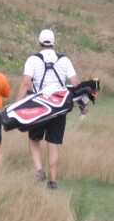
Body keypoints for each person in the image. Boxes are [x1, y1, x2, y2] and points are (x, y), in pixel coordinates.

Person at [17, 28, 84, 189]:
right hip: (58, 107)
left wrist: (17, 104)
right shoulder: (64, 60)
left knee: (34, 139)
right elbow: (76, 83)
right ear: (53, 43)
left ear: (39, 43)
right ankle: (53, 181)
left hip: (38, 105)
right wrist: (83, 103)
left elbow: (26, 83)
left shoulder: (33, 60)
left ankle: (39, 169)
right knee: (53, 143)